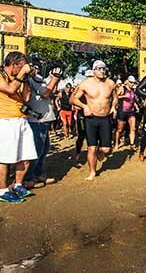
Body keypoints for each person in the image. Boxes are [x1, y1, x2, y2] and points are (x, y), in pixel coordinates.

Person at [0, 52, 38, 203]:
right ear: (14, 65)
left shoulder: (20, 78)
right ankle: (2, 191)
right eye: (21, 66)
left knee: (26, 155)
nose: (23, 69)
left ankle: (18, 185)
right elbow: (9, 89)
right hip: (5, 121)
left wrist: (27, 79)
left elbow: (26, 98)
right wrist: (22, 73)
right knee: (4, 158)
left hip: (21, 120)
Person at [70, 60, 117, 180]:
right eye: (100, 68)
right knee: (92, 148)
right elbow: (73, 99)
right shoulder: (85, 84)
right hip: (91, 118)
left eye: (104, 68)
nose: (102, 71)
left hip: (105, 118)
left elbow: (115, 97)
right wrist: (84, 106)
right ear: (94, 70)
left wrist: (113, 107)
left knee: (106, 149)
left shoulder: (111, 83)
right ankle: (92, 172)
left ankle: (100, 153)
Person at [24, 61, 62, 189]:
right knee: (36, 151)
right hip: (36, 121)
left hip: (43, 120)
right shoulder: (31, 79)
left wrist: (53, 79)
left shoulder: (41, 80)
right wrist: (55, 78)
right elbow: (45, 93)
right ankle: (29, 178)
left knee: (44, 150)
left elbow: (51, 93)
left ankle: (37, 174)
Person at [114, 75, 138, 151]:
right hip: (122, 111)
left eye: (133, 83)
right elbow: (116, 97)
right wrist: (124, 96)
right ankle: (116, 144)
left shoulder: (133, 90)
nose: (132, 84)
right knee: (120, 130)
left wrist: (136, 106)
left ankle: (132, 144)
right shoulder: (122, 88)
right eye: (131, 82)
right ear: (127, 81)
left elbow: (132, 100)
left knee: (133, 128)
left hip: (131, 112)